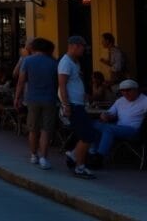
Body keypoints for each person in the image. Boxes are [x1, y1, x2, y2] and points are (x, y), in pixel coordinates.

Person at [14, 37, 58, 170]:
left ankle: (33, 155)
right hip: (50, 98)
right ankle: (44, 157)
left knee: (33, 129)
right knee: (45, 129)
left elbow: (21, 81)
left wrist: (17, 97)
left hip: (32, 98)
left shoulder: (28, 61)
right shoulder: (53, 62)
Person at [59, 36, 95, 179]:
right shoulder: (65, 63)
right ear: (74, 46)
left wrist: (84, 94)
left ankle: (74, 155)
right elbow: (62, 85)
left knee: (88, 134)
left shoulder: (75, 62)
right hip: (73, 105)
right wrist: (66, 105)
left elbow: (75, 82)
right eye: (82, 47)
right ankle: (79, 166)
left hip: (79, 103)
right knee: (87, 135)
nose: (84, 50)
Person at [88, 79, 147, 165]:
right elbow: (111, 113)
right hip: (118, 127)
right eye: (123, 91)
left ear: (136, 89)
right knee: (94, 124)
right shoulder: (120, 100)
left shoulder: (144, 100)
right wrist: (105, 115)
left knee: (108, 129)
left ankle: (98, 158)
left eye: (128, 90)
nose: (125, 93)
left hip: (133, 130)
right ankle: (92, 153)